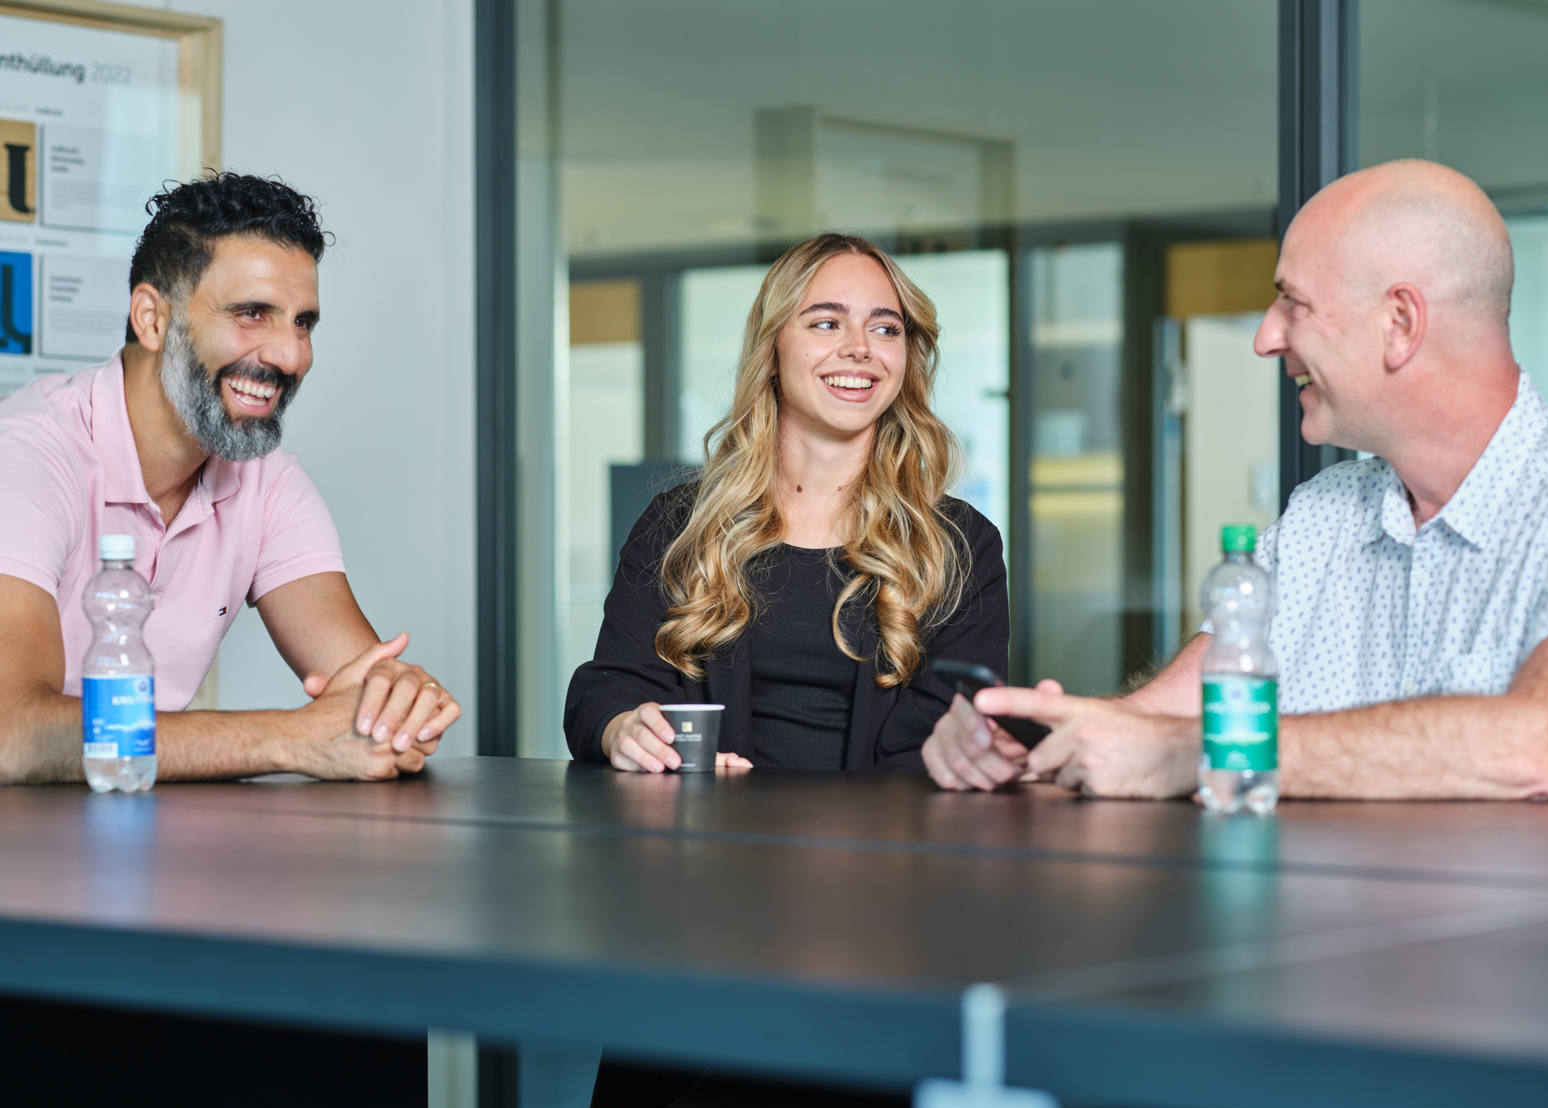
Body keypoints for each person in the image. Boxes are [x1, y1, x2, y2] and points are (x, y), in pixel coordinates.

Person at [926, 158, 1548, 801]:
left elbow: (1536, 745)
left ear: (1399, 323)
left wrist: (1197, 751)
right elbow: (1160, 719)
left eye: (1293, 303)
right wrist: (1031, 742)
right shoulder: (1320, 517)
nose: (1266, 337)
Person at [0, 171, 460, 784]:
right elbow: (11, 733)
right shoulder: (27, 454)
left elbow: (367, 697)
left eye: (303, 322)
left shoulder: (266, 481)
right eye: (252, 314)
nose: (290, 356)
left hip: (132, 824)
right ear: (152, 318)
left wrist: (399, 707)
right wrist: (292, 738)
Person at [565, 232, 1008, 775]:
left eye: (885, 328)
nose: (860, 348)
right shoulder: (679, 525)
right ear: (772, 350)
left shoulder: (961, 546)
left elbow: (948, 741)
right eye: (826, 323)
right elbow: (608, 690)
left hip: (890, 830)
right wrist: (622, 728)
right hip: (712, 827)